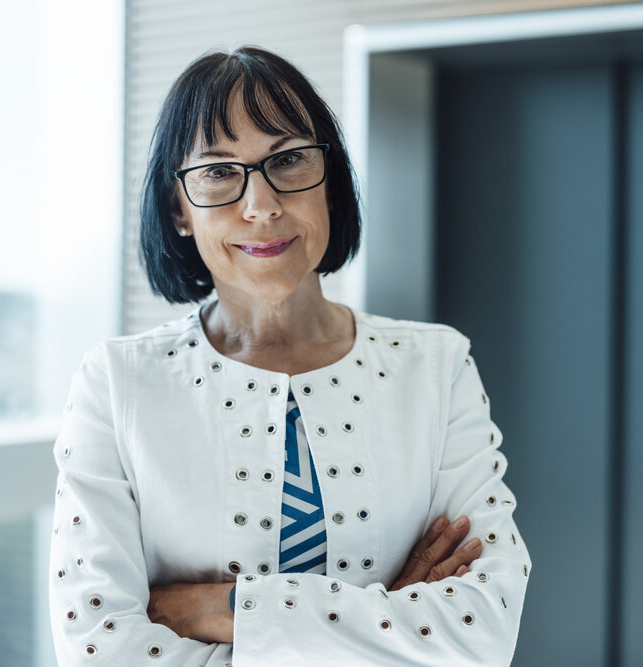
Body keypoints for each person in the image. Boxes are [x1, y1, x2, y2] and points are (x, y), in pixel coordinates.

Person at [49, 46, 531, 666]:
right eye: (219, 172)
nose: (262, 204)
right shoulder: (115, 383)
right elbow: (97, 650)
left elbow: (483, 628)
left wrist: (206, 609)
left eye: (289, 159)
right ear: (178, 210)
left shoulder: (438, 366)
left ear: (329, 182)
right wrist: (393, 620)